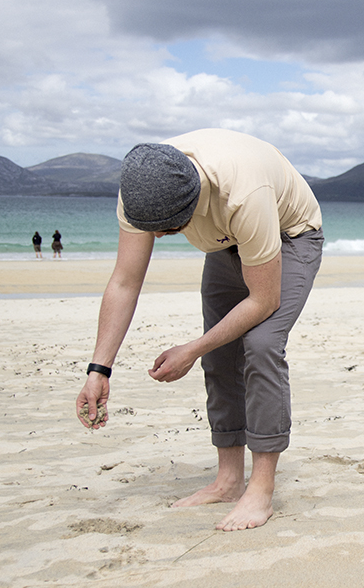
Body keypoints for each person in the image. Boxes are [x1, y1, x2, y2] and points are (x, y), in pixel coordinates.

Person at [75, 128, 323, 532]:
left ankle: (260, 489)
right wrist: (98, 369)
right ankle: (228, 480)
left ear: (194, 200)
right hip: (226, 244)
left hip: (288, 235)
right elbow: (125, 281)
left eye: (169, 229)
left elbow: (263, 300)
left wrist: (191, 348)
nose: (156, 236)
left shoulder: (242, 191)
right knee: (221, 353)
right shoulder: (142, 188)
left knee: (260, 344)